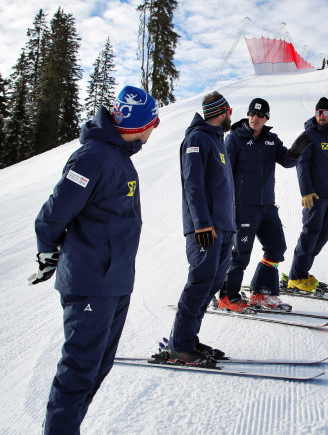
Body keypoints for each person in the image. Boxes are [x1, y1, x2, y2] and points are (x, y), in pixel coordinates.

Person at [31, 85, 159, 434]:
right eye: (154, 122)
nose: (155, 128)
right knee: (79, 372)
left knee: (97, 368)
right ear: (138, 125)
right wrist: (48, 252)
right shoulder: (94, 156)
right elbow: (53, 214)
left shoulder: (116, 157)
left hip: (113, 282)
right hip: (91, 283)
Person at [218, 98, 313, 312]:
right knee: (240, 255)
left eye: (260, 115)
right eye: (252, 113)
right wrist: (226, 206)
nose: (255, 118)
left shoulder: (272, 140)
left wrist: (296, 152)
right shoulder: (235, 139)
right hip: (243, 208)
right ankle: (227, 297)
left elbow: (287, 160)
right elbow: (224, 174)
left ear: (266, 118)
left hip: (267, 207)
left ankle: (262, 293)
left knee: (276, 248)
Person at [167, 91, 236, 365]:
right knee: (199, 283)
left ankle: (190, 340)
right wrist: (202, 224)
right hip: (205, 229)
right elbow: (192, 183)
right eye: (230, 111)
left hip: (223, 228)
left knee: (212, 285)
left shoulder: (217, 141)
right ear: (225, 111)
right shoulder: (197, 138)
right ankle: (180, 345)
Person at [286, 97, 328, 292]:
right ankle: (296, 277)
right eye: (318, 113)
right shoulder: (309, 135)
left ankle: (303, 272)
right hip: (315, 197)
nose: (321, 116)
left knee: (322, 236)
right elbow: (302, 164)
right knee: (310, 234)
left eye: (325, 113)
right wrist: (306, 191)